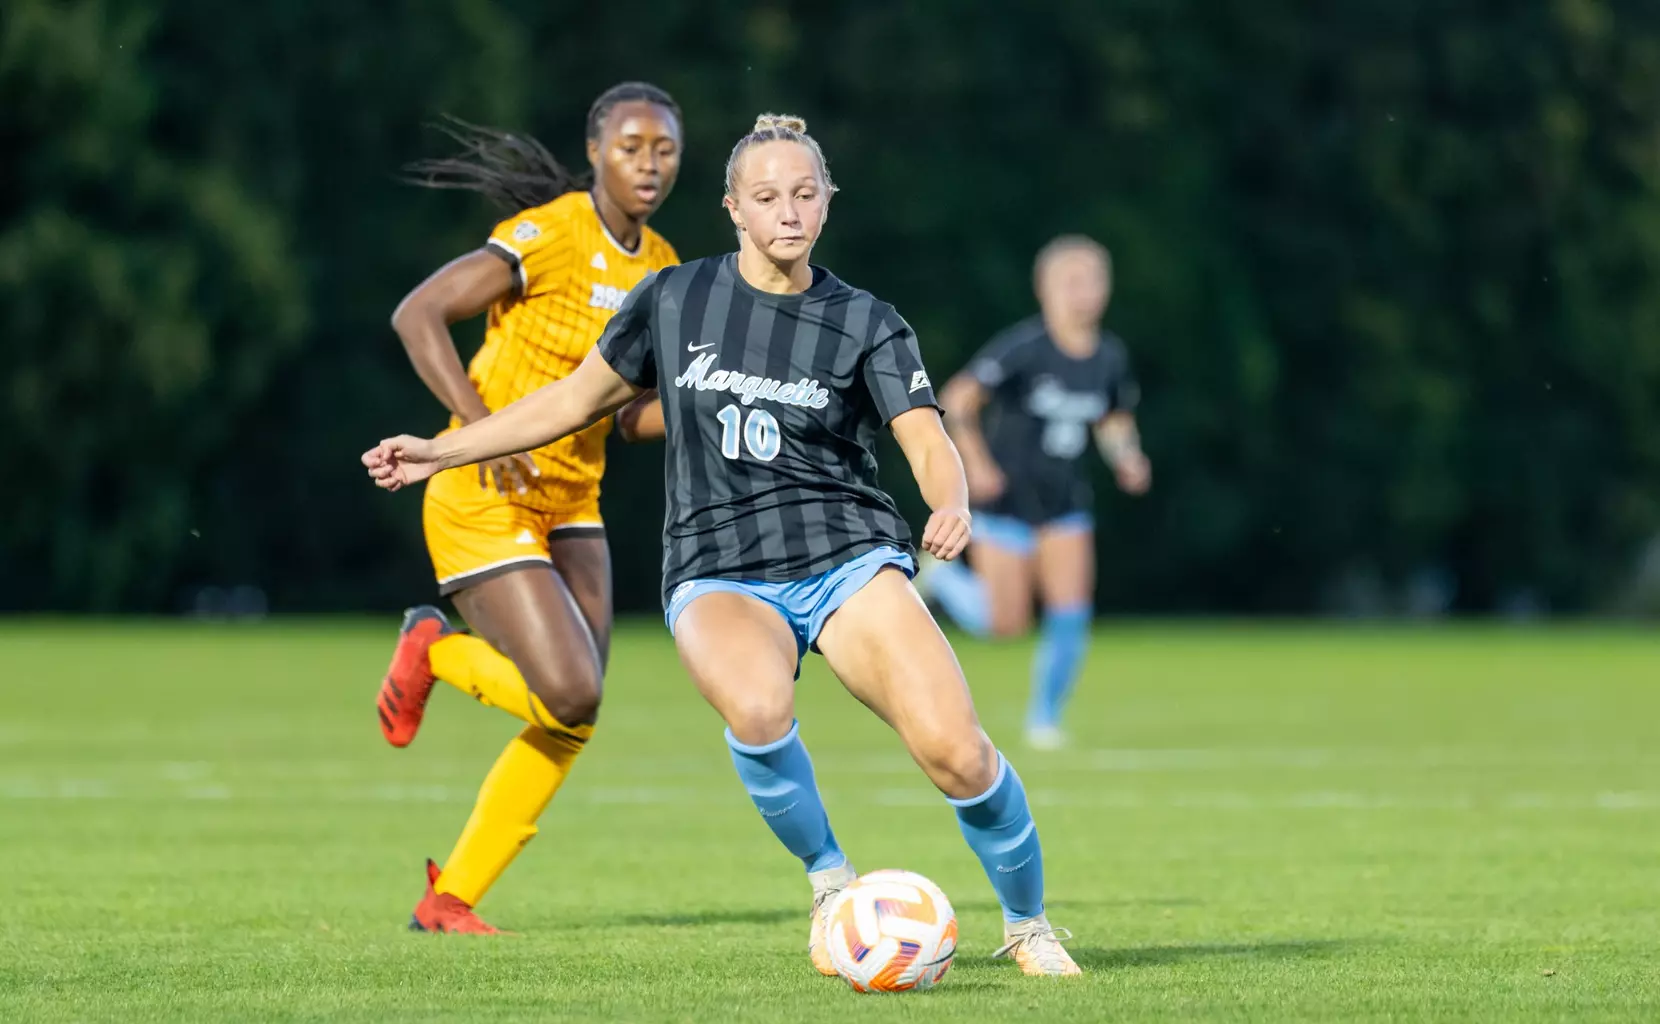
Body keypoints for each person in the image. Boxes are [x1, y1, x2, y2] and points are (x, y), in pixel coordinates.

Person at [363, 113, 1082, 976]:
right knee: (758, 708)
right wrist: (439, 448)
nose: (789, 212)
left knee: (957, 751)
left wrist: (950, 500)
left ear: (826, 205)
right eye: (768, 196)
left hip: (847, 557)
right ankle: (830, 886)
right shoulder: (675, 297)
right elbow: (570, 402)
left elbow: (927, 439)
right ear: (734, 207)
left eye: (806, 194)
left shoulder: (865, 321)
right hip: (719, 567)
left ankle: (1030, 925)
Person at [376, 82, 683, 934]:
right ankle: (433, 649)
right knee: (572, 688)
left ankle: (450, 898)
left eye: (664, 148)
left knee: (574, 710)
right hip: (483, 491)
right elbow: (418, 314)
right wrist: (486, 434)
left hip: (571, 496)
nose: (649, 163)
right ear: (595, 153)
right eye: (631, 146)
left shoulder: (661, 267)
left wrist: (710, 401)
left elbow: (624, 414)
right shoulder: (551, 231)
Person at [918, 236, 1151, 751]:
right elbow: (957, 401)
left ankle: (1044, 719)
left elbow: (1113, 419)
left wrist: (1127, 459)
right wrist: (975, 465)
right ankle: (941, 580)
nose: (1082, 294)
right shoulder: (1023, 349)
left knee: (1071, 611)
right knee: (1006, 624)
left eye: (1092, 282)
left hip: (1066, 501)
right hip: (1006, 501)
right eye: (1070, 282)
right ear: (1044, 290)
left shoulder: (1108, 357)